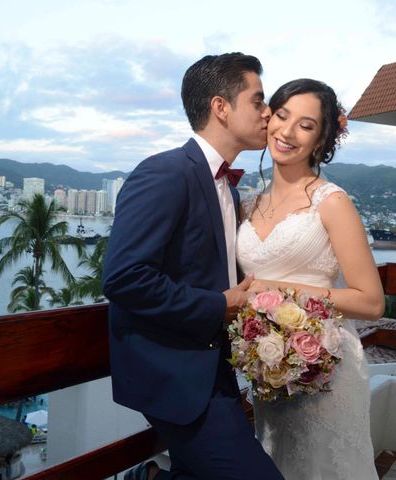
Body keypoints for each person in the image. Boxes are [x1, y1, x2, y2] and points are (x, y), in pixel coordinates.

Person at [103, 53, 283, 480]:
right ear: (221, 107)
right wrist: (217, 305)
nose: (268, 113)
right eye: (258, 101)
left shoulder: (227, 189)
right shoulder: (164, 173)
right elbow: (124, 277)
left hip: (214, 369)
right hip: (174, 375)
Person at [236, 78, 385, 479]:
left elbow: (372, 301)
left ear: (321, 140)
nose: (286, 131)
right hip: (270, 370)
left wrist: (279, 291)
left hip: (328, 369)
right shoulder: (247, 205)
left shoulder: (331, 202)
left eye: (305, 125)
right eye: (282, 116)